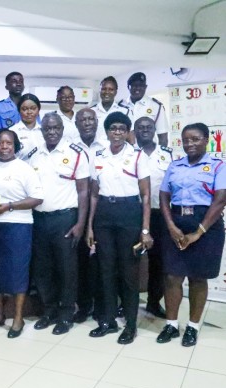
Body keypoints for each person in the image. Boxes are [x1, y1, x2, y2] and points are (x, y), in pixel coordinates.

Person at [157, 123, 226, 347]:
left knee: (198, 278)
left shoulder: (219, 167)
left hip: (206, 224)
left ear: (206, 139)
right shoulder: (175, 166)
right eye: (186, 140)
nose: (190, 144)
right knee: (172, 276)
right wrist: (170, 226)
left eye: (195, 139)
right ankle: (171, 325)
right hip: (176, 222)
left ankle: (192, 326)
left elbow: (220, 200)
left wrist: (198, 232)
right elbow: (163, 195)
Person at [86, 111, 153, 345]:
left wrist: (145, 229)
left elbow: (146, 195)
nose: (117, 132)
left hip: (129, 214)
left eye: (122, 129)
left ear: (127, 132)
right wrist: (90, 227)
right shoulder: (98, 156)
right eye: (113, 128)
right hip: (104, 214)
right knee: (105, 270)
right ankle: (108, 320)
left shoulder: (137, 156)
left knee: (128, 272)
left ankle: (131, 325)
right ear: (106, 131)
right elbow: (94, 195)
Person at [27, 113, 89, 335]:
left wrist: (80, 223)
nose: (52, 132)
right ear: (42, 131)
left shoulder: (76, 154)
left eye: (56, 128)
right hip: (39, 219)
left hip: (65, 219)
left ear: (62, 129)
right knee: (43, 269)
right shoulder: (34, 155)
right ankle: (49, 311)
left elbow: (84, 191)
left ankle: (66, 314)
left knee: (66, 269)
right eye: (47, 129)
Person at [0, 129, 44, 337]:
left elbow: (37, 198)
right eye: (0, 143)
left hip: (18, 226)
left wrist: (10, 206)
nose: (4, 147)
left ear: (15, 146)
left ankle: (18, 318)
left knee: (18, 272)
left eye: (8, 143)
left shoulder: (24, 169)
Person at [135, 116, 172, 319]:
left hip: (159, 214)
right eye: (140, 127)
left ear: (154, 130)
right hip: (133, 213)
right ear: (134, 131)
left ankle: (153, 302)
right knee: (129, 260)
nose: (145, 130)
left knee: (158, 261)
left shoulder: (167, 154)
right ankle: (127, 301)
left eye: (149, 127)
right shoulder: (128, 153)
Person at [73, 107, 108, 323]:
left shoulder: (106, 146)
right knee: (80, 262)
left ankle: (102, 305)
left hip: (102, 209)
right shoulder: (70, 148)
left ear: (96, 122)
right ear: (76, 124)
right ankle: (83, 306)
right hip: (78, 211)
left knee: (103, 260)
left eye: (90, 119)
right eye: (82, 120)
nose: (87, 123)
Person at [119, 72, 169, 146]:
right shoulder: (120, 106)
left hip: (148, 150)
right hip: (125, 150)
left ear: (145, 87)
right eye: (134, 85)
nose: (138, 88)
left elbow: (163, 137)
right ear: (128, 87)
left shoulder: (156, 106)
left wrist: (160, 152)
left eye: (141, 85)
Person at [90, 76, 129, 141]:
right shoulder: (91, 111)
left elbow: (130, 137)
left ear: (116, 92)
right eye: (104, 89)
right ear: (100, 91)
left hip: (117, 147)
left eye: (111, 89)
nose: (107, 92)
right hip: (95, 147)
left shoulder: (125, 112)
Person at [10, 93, 42, 160]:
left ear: (38, 110)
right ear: (19, 110)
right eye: (24, 109)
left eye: (33, 108)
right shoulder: (12, 132)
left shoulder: (44, 130)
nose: (29, 112)